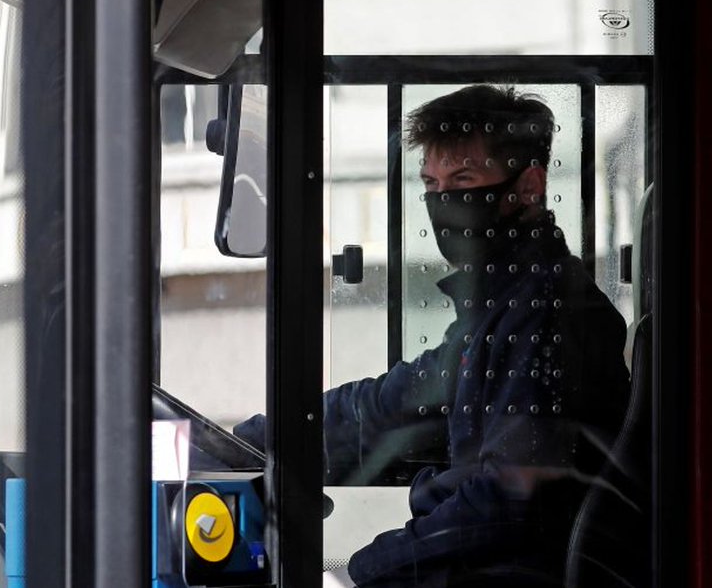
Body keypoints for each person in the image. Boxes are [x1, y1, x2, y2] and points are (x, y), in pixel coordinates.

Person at [237, 85, 631, 587]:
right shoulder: (501, 305)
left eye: (464, 179)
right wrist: (254, 442)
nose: (444, 202)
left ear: (529, 186)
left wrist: (368, 569)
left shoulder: (545, 313)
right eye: (431, 185)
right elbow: (391, 404)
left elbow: (508, 499)